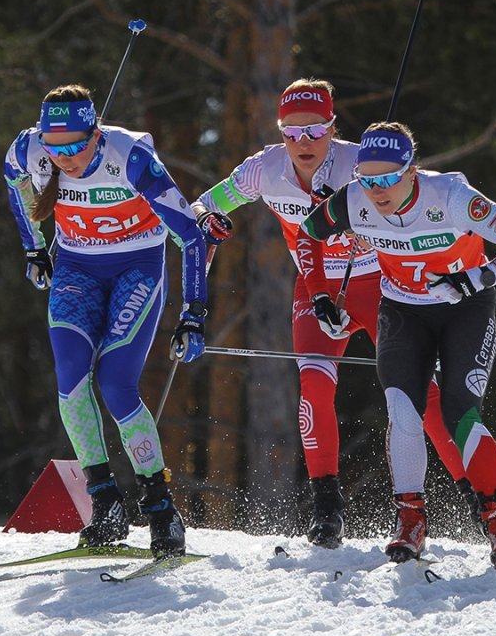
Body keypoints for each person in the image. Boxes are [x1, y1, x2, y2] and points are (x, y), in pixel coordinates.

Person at [191, 79, 474, 549]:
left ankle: (477, 497)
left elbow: (416, 197)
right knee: (315, 388)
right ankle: (327, 508)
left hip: (378, 283)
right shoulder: (265, 169)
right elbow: (205, 202)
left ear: (333, 127)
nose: (304, 143)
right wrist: (207, 219)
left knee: (419, 394)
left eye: (316, 130)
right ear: (280, 131)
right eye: (292, 131)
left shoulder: (361, 162)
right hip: (314, 287)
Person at [298, 121, 496, 567]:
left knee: (459, 411)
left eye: (389, 178)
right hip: (401, 310)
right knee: (402, 409)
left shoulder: (450, 197)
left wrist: (473, 278)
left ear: (412, 169)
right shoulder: (354, 201)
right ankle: (410, 521)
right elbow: (307, 233)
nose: (378, 190)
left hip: (463, 309)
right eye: (368, 179)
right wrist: (319, 295)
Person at [3, 83, 210, 557]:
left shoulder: (131, 157)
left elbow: (191, 238)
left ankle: (160, 508)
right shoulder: (27, 149)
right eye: (56, 149)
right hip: (77, 269)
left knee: (116, 384)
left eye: (77, 146)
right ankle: (105, 503)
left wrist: (193, 314)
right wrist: (34, 247)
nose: (66, 158)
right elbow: (14, 184)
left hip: (136, 266)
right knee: (71, 380)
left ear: (96, 134)